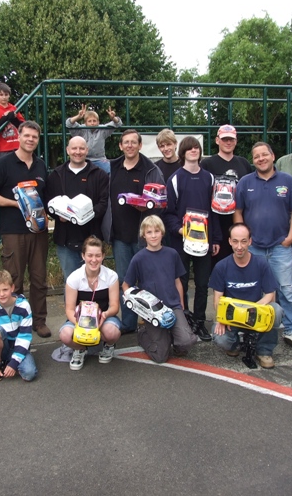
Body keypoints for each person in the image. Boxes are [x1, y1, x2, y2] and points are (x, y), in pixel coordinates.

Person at [234, 142, 292, 347]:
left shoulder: (287, 181)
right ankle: (253, 327)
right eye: (256, 156)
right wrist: (243, 239)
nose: (261, 159)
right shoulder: (245, 182)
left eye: (264, 155)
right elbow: (238, 211)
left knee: (285, 289)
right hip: (254, 247)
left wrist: (291, 236)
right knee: (254, 290)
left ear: (273, 156)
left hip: (280, 246)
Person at [0, 121, 51, 338]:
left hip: (38, 231)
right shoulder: (3, 164)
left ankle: (39, 321)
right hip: (13, 231)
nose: (30, 139)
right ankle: (14, 322)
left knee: (39, 279)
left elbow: (45, 196)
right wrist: (15, 203)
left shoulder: (40, 165)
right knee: (14, 279)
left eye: (34, 137)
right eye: (27, 135)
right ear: (19, 137)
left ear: (38, 139)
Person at [108, 129, 166, 333]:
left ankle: (151, 320)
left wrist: (148, 209)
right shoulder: (112, 167)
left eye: (134, 142)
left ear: (140, 145)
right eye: (126, 142)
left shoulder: (151, 169)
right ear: (120, 146)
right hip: (120, 236)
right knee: (125, 280)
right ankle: (128, 323)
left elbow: (162, 201)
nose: (130, 145)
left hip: (145, 237)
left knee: (149, 280)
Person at [163, 136, 220, 341]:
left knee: (203, 284)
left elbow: (215, 211)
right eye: (189, 148)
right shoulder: (175, 179)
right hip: (182, 241)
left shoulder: (209, 178)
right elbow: (168, 213)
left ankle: (199, 321)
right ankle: (185, 321)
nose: (194, 150)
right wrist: (180, 230)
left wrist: (215, 239)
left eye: (196, 148)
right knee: (182, 283)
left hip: (204, 242)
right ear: (183, 153)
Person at [123, 216, 197, 363]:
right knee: (160, 356)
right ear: (143, 235)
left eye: (156, 231)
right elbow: (126, 285)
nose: (153, 235)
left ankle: (173, 338)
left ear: (162, 233)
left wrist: (181, 305)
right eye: (149, 232)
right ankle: (143, 334)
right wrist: (138, 306)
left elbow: (178, 282)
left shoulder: (172, 254)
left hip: (173, 306)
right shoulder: (138, 258)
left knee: (187, 341)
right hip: (152, 311)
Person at [209, 223, 283, 368]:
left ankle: (264, 351)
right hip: (233, 317)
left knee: (276, 310)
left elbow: (270, 294)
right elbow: (217, 299)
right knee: (219, 336)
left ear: (250, 241)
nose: (239, 246)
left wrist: (253, 309)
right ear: (229, 241)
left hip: (256, 314)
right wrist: (222, 318)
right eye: (235, 241)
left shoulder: (261, 263)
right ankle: (235, 345)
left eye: (243, 241)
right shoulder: (221, 266)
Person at [44, 136, 109, 280]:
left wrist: (85, 216)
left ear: (87, 150)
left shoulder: (100, 175)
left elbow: (103, 203)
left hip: (93, 240)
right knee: (71, 282)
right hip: (65, 240)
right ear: (68, 150)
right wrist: (58, 216)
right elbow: (48, 202)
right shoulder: (56, 175)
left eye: (81, 148)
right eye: (74, 148)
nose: (77, 152)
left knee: (95, 283)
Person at [61, 236, 122, 370]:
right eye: (90, 255)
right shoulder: (73, 278)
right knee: (65, 335)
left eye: (98, 256)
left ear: (103, 256)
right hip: (79, 319)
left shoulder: (111, 276)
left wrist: (104, 316)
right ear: (83, 256)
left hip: (104, 317)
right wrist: (81, 325)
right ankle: (81, 349)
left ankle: (109, 345)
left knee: (112, 332)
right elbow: (69, 309)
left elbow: (114, 307)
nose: (94, 260)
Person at [201, 124, 253, 266]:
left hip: (239, 220)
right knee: (219, 266)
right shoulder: (207, 164)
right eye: (225, 139)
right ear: (217, 140)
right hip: (216, 223)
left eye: (231, 139)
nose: (228, 142)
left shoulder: (243, 163)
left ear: (236, 141)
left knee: (241, 263)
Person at [0, 270, 38, 383]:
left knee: (29, 374)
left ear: (12, 288)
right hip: (2, 347)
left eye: (5, 289)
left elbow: (25, 336)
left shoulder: (24, 306)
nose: (2, 294)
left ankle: (11, 362)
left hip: (18, 347)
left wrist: (14, 362)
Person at [66, 104, 122, 174]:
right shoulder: (81, 130)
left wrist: (113, 118)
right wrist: (78, 116)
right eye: (89, 121)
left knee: (111, 171)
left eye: (94, 121)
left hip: (100, 159)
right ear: (85, 123)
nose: (92, 123)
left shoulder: (102, 130)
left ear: (98, 122)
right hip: (83, 159)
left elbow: (118, 124)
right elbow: (68, 124)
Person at [0, 82, 25, 156]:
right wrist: (5, 117)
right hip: (4, 148)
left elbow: (23, 125)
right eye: (1, 95)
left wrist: (13, 118)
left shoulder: (13, 108)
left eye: (6, 95)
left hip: (18, 145)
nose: (4, 97)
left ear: (9, 96)